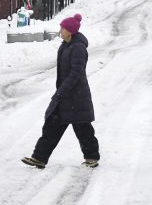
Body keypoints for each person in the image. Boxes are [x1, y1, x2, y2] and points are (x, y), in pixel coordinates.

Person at [22, 14, 100, 169]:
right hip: (66, 95)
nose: (60, 31)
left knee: (83, 129)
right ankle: (39, 158)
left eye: (62, 28)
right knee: (52, 126)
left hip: (77, 97)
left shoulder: (77, 48)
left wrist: (61, 91)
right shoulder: (66, 45)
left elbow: (76, 73)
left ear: (70, 31)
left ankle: (92, 157)